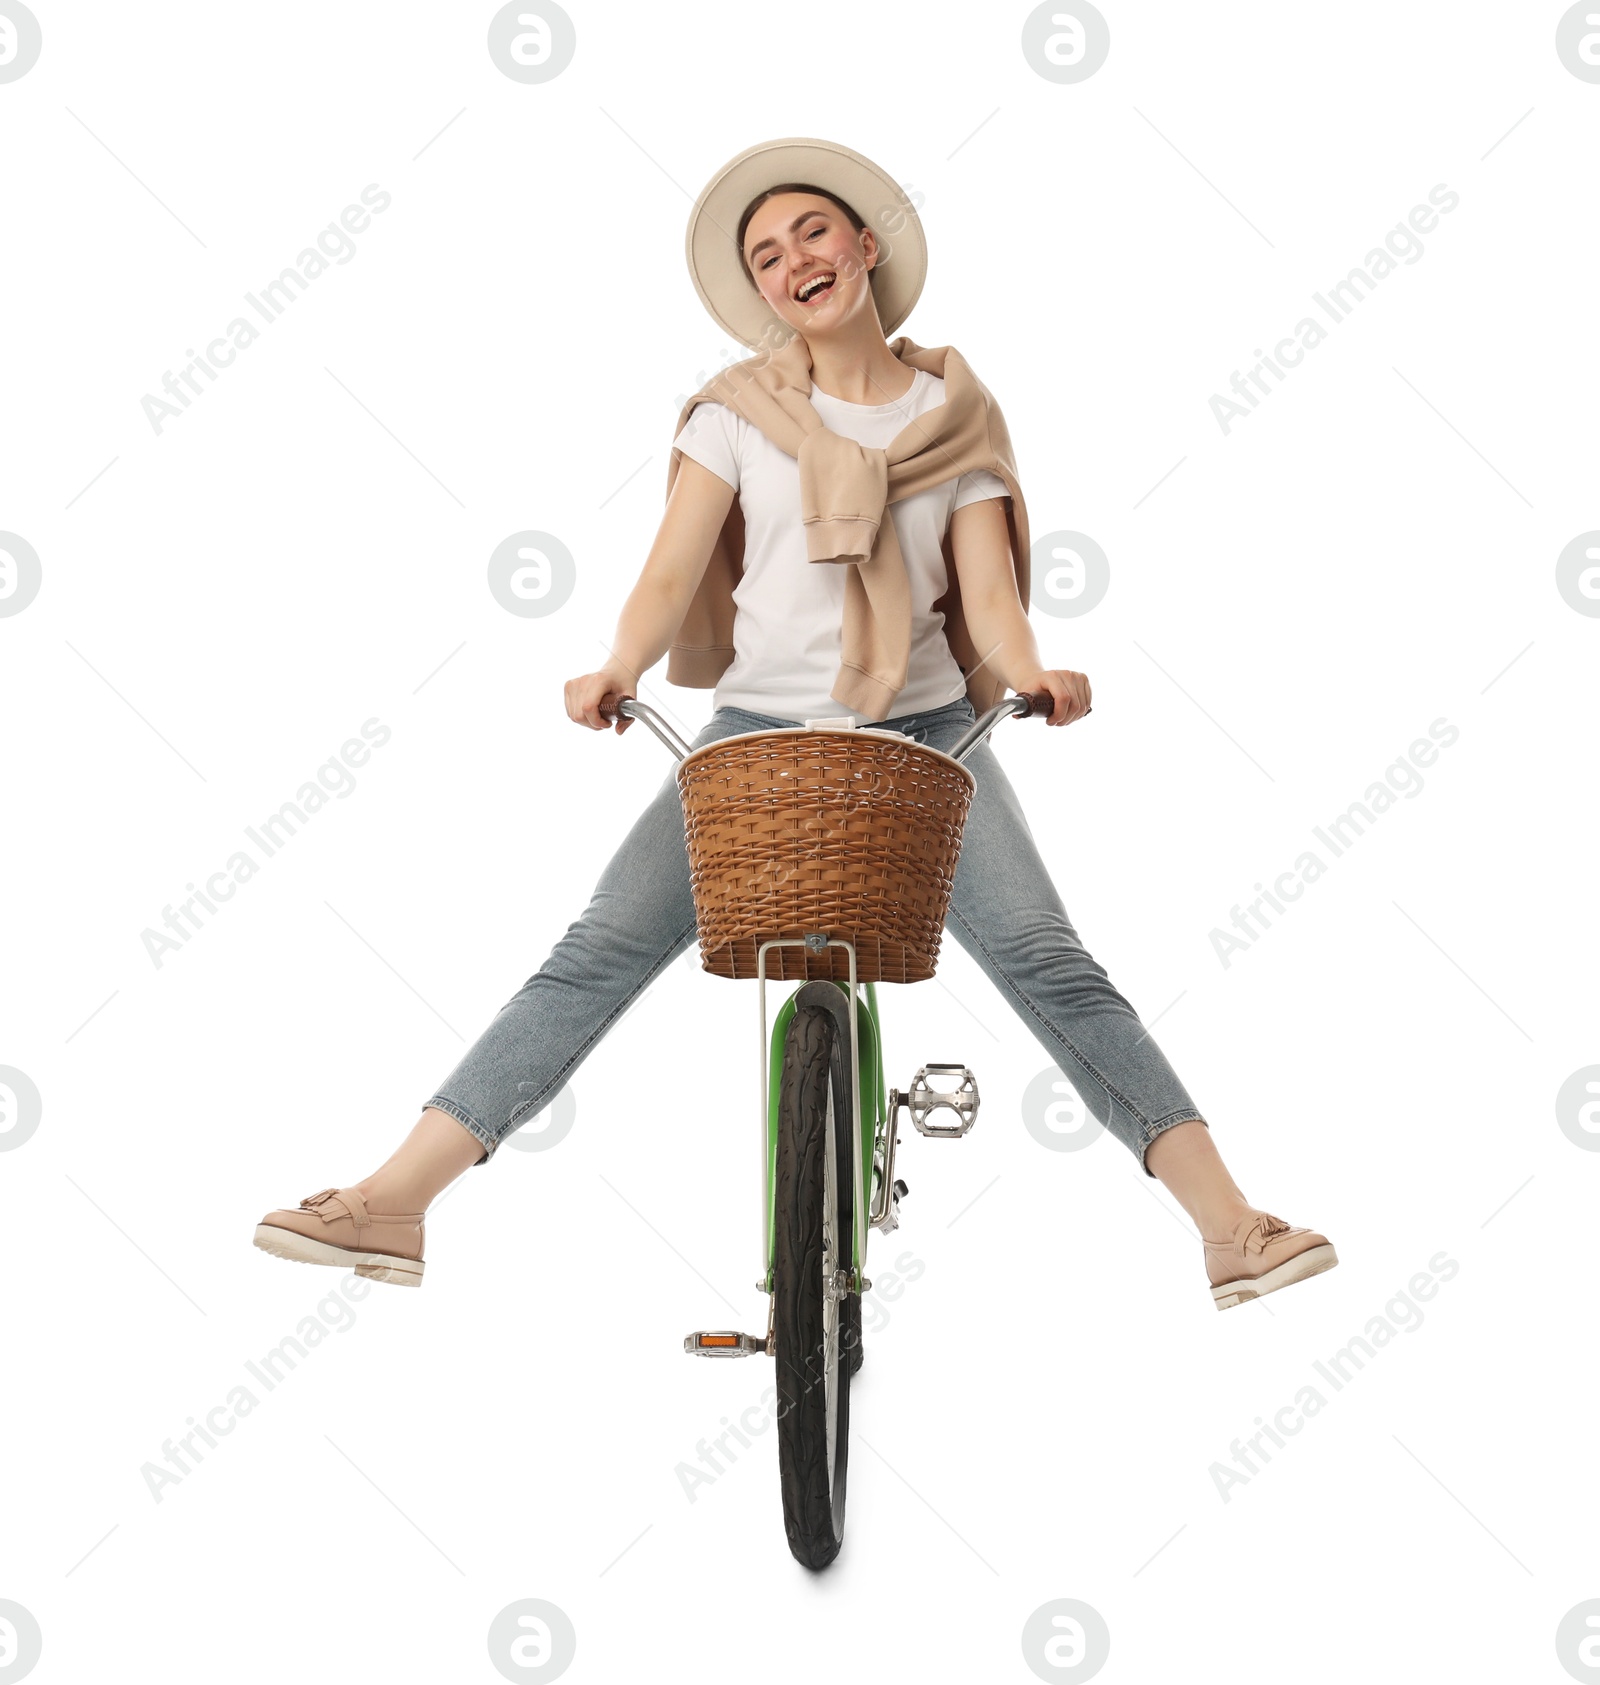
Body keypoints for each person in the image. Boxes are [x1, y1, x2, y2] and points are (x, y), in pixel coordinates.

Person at [253, 138, 1337, 1312]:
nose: (791, 263)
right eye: (764, 256)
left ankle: (1229, 1228)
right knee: (595, 953)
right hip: (753, 741)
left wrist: (1036, 673)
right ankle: (395, 1201)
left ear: (864, 248)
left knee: (1049, 966)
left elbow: (988, 603)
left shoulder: (954, 417)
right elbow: (671, 572)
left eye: (811, 234)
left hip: (921, 740)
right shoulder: (733, 415)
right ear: (761, 292)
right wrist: (618, 662)